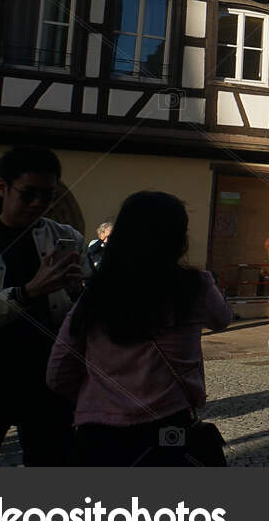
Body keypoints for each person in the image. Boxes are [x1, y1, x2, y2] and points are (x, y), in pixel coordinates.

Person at [47, 192, 232, 466]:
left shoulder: (95, 294)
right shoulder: (195, 287)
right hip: (170, 427)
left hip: (100, 435)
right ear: (178, 239)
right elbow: (222, 319)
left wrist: (98, 396)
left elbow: (58, 372)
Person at [0, 146, 87, 466]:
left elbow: (86, 313)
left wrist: (79, 291)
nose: (38, 204)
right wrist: (27, 293)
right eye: (28, 194)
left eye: (47, 196)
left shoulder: (67, 238)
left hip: (48, 383)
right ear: (2, 188)